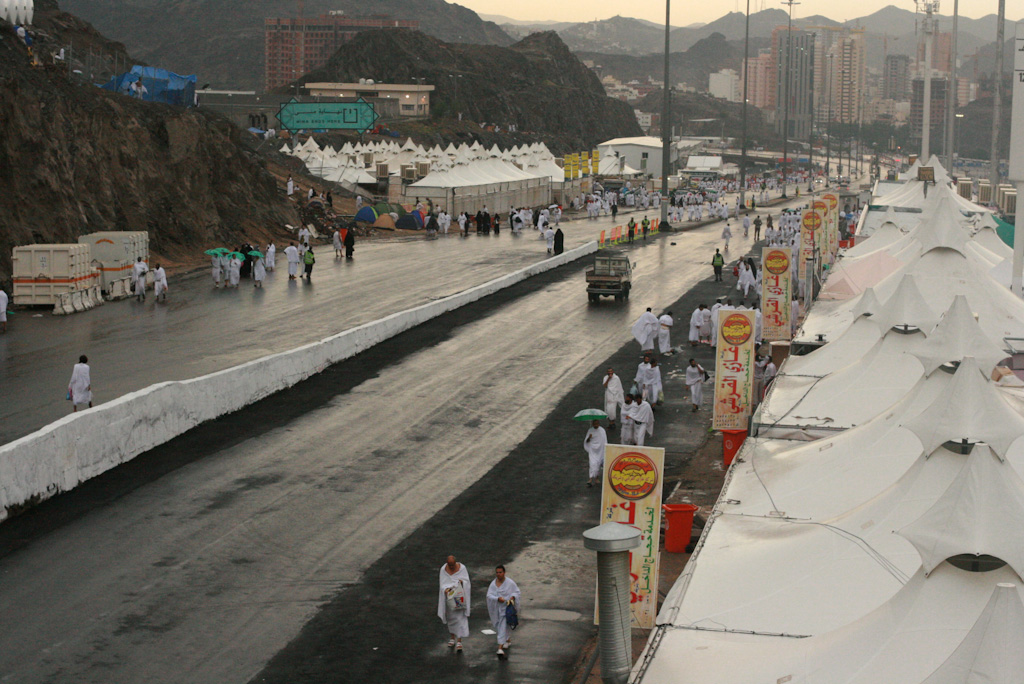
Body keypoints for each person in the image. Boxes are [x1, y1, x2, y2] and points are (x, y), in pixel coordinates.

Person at [487, 565, 521, 658]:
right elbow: (489, 595)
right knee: (500, 626)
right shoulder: (493, 584)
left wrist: (512, 597)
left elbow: (517, 592)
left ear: (504, 572)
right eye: (497, 572)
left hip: (506, 610)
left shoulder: (510, 583)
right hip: (496, 609)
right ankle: (508, 640)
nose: (498, 574)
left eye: (500, 572)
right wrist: (497, 598)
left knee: (502, 627)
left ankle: (500, 648)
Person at [438, 555, 471, 653]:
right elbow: (442, 584)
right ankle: (452, 637)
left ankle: (459, 640)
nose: (451, 568)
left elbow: (467, 582)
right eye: (450, 565)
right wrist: (446, 589)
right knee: (451, 618)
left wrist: (461, 582)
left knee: (460, 618)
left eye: (453, 565)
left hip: (459, 597)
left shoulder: (462, 568)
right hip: (449, 597)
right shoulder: (443, 570)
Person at [584, 418, 608, 487]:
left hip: (600, 450)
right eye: (594, 424)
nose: (596, 425)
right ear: (592, 424)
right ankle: (590, 479)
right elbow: (587, 441)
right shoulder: (590, 430)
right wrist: (589, 437)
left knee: (598, 463)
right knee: (592, 464)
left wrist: (604, 448)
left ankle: (597, 478)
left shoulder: (602, 430)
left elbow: (604, 440)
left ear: (599, 424)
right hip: (593, 451)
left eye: (597, 424)